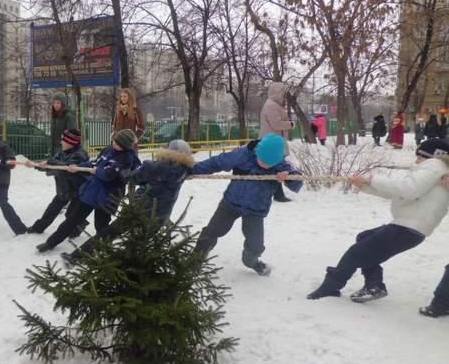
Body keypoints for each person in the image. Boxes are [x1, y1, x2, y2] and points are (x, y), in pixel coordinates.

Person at [307, 138, 449, 303]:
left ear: (432, 155)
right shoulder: (438, 172)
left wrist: (372, 180)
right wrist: (364, 185)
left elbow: (408, 189)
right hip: (410, 227)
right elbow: (398, 192)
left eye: (419, 157)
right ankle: (373, 285)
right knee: (364, 238)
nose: (416, 161)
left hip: (408, 227)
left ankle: (330, 287)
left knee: (356, 252)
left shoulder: (434, 165)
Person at [61, 139, 194, 265]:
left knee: (109, 233)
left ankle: (76, 257)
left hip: (139, 210)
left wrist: (122, 171)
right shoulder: (184, 170)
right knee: (140, 245)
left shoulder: (153, 167)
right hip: (160, 215)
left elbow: (133, 178)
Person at [192, 134, 303, 276]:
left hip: (256, 210)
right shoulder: (243, 154)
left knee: (256, 244)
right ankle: (195, 261)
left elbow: (297, 180)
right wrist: (192, 169)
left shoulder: (281, 165)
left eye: (269, 163)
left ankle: (251, 261)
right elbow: (216, 162)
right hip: (231, 203)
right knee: (212, 231)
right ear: (257, 150)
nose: (264, 164)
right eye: (261, 159)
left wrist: (288, 177)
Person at [36, 129, 141, 253]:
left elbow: (108, 175)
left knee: (101, 226)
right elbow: (95, 163)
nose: (114, 144)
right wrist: (78, 167)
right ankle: (51, 243)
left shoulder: (127, 158)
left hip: (108, 197)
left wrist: (97, 171)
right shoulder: (108, 150)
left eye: (118, 144)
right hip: (92, 192)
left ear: (125, 146)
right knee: (72, 220)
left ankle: (103, 252)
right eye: (114, 141)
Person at [26, 128, 90, 234]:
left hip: (77, 190)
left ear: (71, 142)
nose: (61, 142)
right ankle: (38, 228)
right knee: (52, 209)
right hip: (64, 188)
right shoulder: (62, 153)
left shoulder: (80, 154)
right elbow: (52, 165)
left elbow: (64, 166)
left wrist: (49, 162)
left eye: (64, 140)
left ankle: (79, 227)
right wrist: (36, 165)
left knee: (71, 214)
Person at [259, 81, 295, 202]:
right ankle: (278, 194)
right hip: (272, 143)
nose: (284, 95)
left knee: (273, 169)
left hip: (274, 142)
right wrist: (290, 124)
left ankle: (277, 194)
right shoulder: (271, 106)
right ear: (277, 92)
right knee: (275, 169)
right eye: (283, 93)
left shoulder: (274, 105)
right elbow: (277, 124)